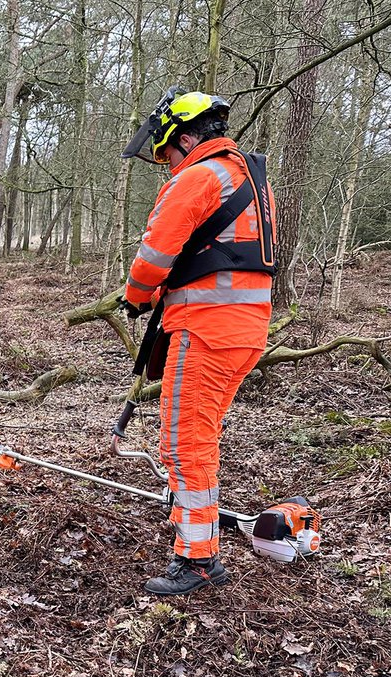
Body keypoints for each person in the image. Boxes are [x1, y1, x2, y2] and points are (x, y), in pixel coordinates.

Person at [120, 88, 278, 595]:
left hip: (205, 327)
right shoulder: (248, 177)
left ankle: (198, 558)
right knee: (200, 434)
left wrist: (135, 296)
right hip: (246, 329)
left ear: (186, 139)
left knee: (184, 439)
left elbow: (153, 255)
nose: (166, 163)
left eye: (167, 152)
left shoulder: (197, 177)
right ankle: (198, 537)